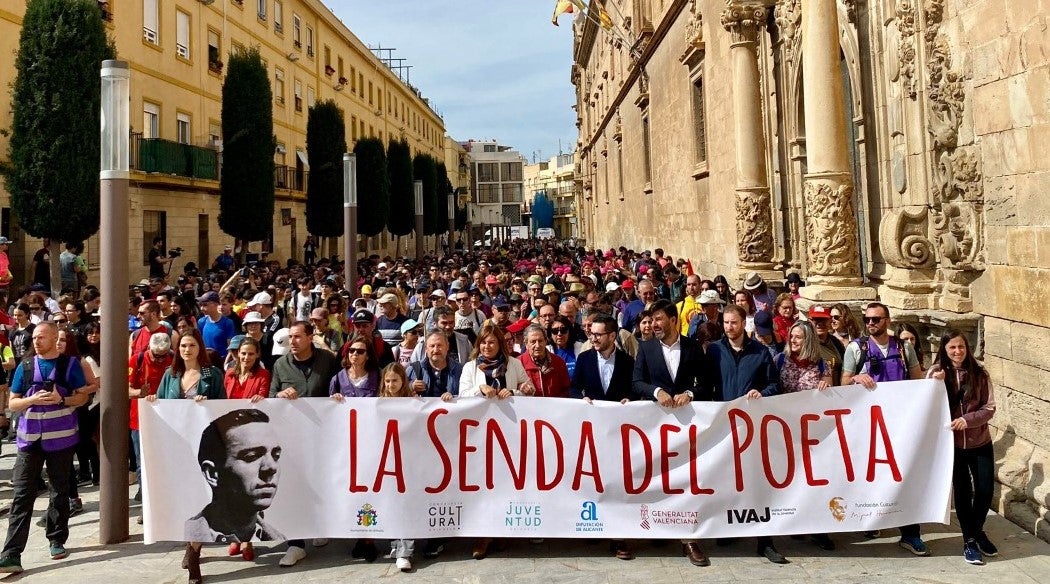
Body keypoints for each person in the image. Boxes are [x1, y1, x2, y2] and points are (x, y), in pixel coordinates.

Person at [0, 322, 91, 573]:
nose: (36, 342)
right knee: (22, 495)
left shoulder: (69, 365)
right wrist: (32, 399)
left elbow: (83, 396)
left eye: (41, 337)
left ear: (53, 337)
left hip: (61, 438)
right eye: (34, 338)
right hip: (29, 440)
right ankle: (11, 554)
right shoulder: (25, 366)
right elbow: (13, 402)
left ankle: (57, 539)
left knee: (59, 490)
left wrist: (62, 399)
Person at [631, 299, 711, 567]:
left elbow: (706, 383)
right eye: (651, 320)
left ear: (673, 320)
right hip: (656, 428)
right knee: (657, 478)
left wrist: (689, 393)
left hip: (687, 428)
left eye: (658, 319)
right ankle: (656, 527)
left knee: (685, 481)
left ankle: (689, 538)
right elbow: (637, 381)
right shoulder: (646, 348)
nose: (653, 325)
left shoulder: (691, 347)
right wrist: (657, 392)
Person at [841, 302, 926, 554]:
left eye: (876, 319)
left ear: (887, 320)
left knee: (904, 476)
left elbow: (917, 382)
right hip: (869, 423)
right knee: (871, 474)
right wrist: (855, 378)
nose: (870, 324)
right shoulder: (856, 349)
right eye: (867, 319)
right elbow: (843, 383)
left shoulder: (903, 348)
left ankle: (910, 532)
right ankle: (872, 519)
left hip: (899, 422)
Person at [705, 303, 787, 564]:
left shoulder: (760, 352)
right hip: (724, 427)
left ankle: (765, 540)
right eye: (726, 323)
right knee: (728, 479)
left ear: (744, 324)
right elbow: (707, 386)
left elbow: (775, 384)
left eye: (734, 323)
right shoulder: (715, 351)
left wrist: (762, 393)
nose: (730, 327)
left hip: (753, 427)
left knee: (756, 481)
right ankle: (731, 527)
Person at [268, 321, 341, 567]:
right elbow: (271, 397)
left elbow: (337, 387)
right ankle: (295, 544)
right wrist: (280, 396)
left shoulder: (327, 361)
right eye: (291, 337)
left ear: (310, 337)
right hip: (292, 437)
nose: (293, 341)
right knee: (293, 486)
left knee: (321, 482)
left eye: (298, 336)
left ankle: (320, 525)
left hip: (323, 434)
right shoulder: (280, 364)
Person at [183, 409, 284, 582]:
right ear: (212, 473)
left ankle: (245, 541)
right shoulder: (195, 526)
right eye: (251, 456)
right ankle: (193, 554)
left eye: (276, 455)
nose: (271, 468)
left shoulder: (277, 535)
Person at [928, 331, 998, 565]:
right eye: (952, 348)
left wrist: (968, 420)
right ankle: (969, 541)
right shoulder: (936, 373)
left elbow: (989, 408)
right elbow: (926, 404)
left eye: (961, 347)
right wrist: (935, 384)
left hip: (980, 441)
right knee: (963, 492)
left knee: (986, 490)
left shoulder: (980, 374)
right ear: (944, 350)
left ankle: (976, 530)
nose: (958, 352)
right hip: (953, 445)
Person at [377, 363, 417, 571]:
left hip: (408, 462)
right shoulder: (376, 404)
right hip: (387, 463)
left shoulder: (414, 403)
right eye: (388, 381)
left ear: (403, 382)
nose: (391, 385)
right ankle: (395, 544)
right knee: (390, 504)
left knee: (405, 506)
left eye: (395, 380)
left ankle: (405, 551)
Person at [128, 332, 174, 502]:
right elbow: (126, 389)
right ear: (149, 349)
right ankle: (146, 502)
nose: (161, 360)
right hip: (140, 420)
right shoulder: (136, 360)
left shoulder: (173, 358)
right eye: (157, 356)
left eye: (164, 356)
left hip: (167, 420)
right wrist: (140, 393)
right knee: (143, 463)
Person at [458, 323, 534, 402]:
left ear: (499, 344)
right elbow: (462, 395)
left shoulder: (515, 363)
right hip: (481, 413)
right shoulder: (470, 367)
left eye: (491, 342)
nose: (487, 346)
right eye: (483, 342)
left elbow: (529, 392)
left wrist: (513, 393)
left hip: (509, 413)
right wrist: (480, 389)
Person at [406, 331, 461, 402]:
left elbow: (467, 396)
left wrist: (454, 397)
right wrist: (411, 387)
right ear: (426, 349)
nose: (436, 350)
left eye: (439, 345)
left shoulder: (460, 370)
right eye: (432, 346)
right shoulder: (413, 369)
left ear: (447, 347)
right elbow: (398, 393)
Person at [519, 324, 571, 398]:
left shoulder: (559, 362)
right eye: (533, 342)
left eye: (540, 341)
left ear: (545, 341)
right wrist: (520, 387)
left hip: (554, 408)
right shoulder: (518, 363)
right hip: (528, 407)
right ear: (526, 344)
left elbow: (566, 390)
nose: (537, 345)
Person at [197, 291, 236, 360]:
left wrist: (226, 363)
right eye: (201, 305)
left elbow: (230, 346)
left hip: (222, 361)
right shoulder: (201, 322)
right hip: (206, 360)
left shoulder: (228, 323)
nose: (202, 308)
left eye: (205, 305)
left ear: (216, 304)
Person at [548, 315, 583, 380]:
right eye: (555, 331)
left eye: (563, 330)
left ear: (569, 331)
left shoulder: (582, 348)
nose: (559, 334)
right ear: (550, 334)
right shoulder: (546, 351)